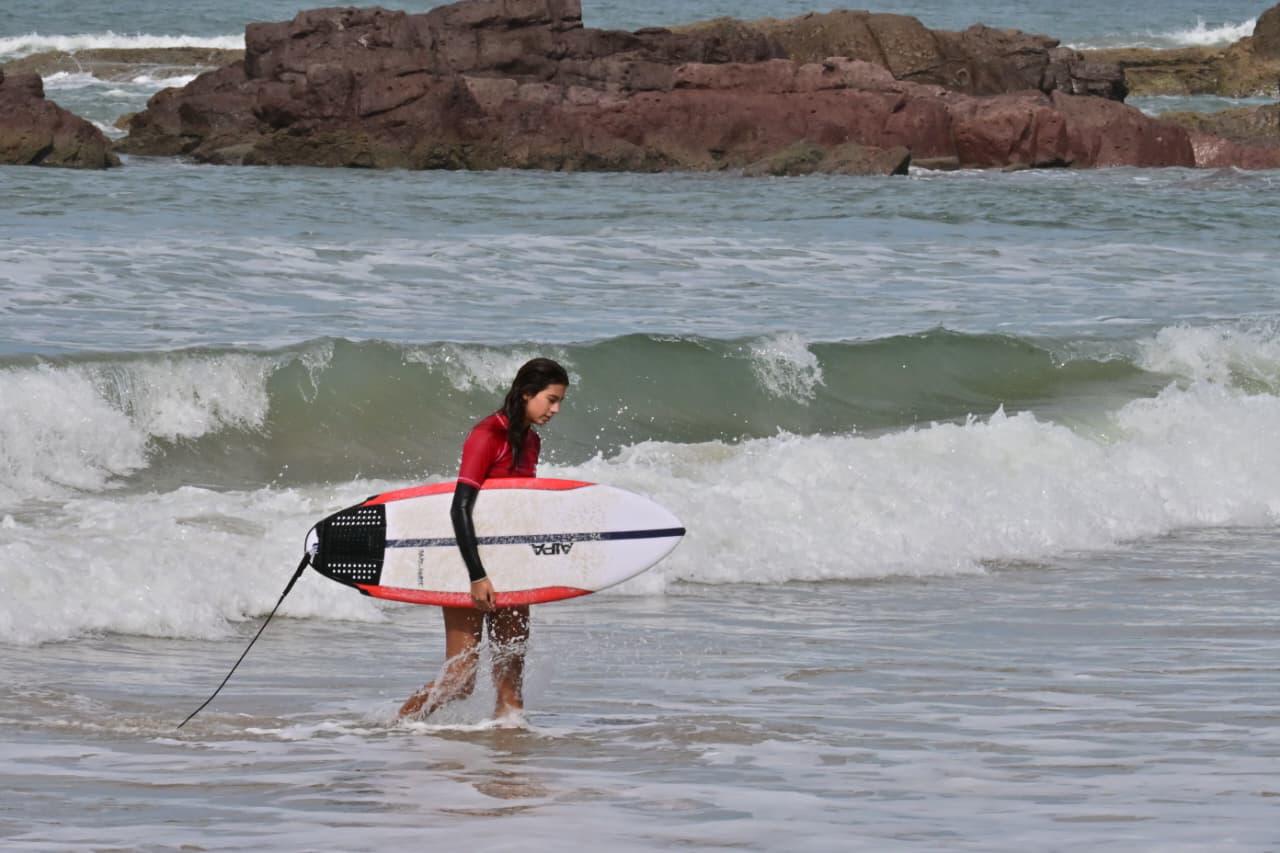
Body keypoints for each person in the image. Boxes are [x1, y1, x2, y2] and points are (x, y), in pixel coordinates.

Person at [398, 357, 570, 720]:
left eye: (560, 402)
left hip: (511, 566)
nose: (555, 409)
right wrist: (477, 575)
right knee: (458, 683)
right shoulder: (487, 435)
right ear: (527, 394)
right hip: (468, 565)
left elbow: (515, 510)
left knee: (511, 687)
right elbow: (459, 509)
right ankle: (393, 728)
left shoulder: (532, 442)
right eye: (551, 399)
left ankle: (508, 769)